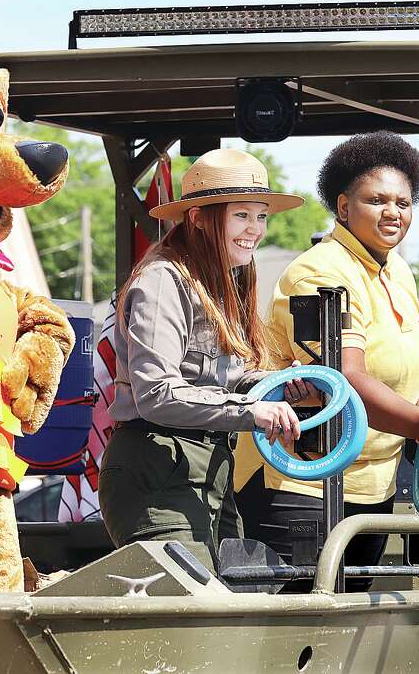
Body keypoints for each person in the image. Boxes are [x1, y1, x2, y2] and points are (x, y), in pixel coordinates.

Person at [234, 131, 419, 590]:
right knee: (300, 634)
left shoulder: (398, 269)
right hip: (302, 483)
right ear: (343, 207)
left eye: (403, 203)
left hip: (374, 486)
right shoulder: (319, 270)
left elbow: (398, 374)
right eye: (377, 200)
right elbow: (346, 378)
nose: (393, 213)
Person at [99, 148, 313, 570]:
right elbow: (157, 394)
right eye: (241, 216)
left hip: (208, 474)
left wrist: (275, 385)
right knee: (189, 613)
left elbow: (218, 381)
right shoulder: (162, 280)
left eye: (261, 216)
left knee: (226, 606)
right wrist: (256, 410)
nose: (255, 230)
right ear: (198, 217)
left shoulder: (220, 281)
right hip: (157, 471)